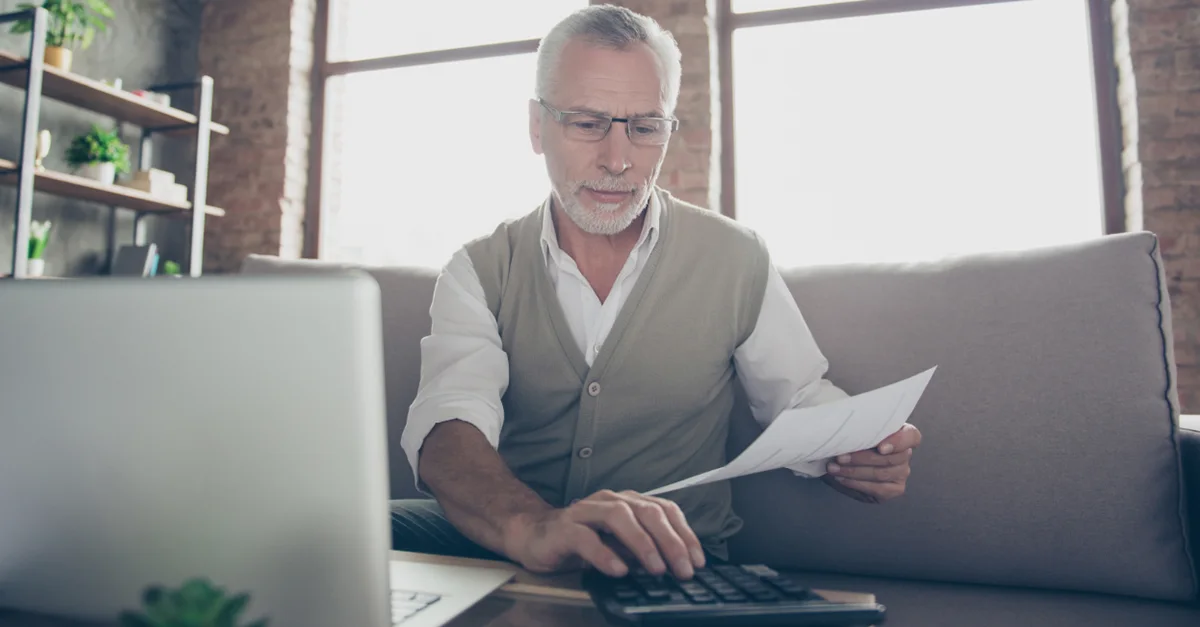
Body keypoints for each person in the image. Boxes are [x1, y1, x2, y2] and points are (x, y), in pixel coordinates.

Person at [392, 4, 922, 582]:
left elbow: (797, 398)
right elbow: (450, 427)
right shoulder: (479, 269)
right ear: (536, 126)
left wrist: (858, 454)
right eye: (588, 123)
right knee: (343, 533)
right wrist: (533, 527)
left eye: (644, 127)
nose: (618, 160)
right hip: (509, 546)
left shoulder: (736, 257)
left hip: (669, 564)